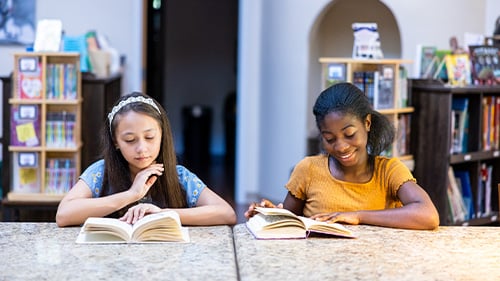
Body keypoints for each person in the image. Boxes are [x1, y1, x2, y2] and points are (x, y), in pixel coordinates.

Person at [245, 82, 439, 230]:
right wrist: (268, 215)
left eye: (349, 135)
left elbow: (428, 215)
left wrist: (358, 216)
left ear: (367, 123)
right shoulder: (308, 169)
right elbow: (289, 223)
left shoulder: (389, 171)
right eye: (329, 139)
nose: (341, 147)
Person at [56, 92, 237, 227]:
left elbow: (226, 213)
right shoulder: (101, 172)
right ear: (115, 142)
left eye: (149, 137)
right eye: (130, 140)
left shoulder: (178, 175)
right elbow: (64, 215)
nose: (142, 148)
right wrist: (131, 195)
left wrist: (163, 214)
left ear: (162, 135)